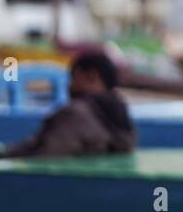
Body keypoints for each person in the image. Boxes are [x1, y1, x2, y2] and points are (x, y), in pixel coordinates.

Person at [7, 51, 137, 157]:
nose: (68, 85)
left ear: (91, 76)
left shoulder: (74, 114)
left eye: (73, 77)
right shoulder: (120, 115)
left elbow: (46, 156)